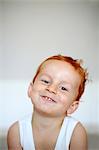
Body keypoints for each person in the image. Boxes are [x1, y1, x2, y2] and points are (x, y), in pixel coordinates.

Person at [7, 54, 88, 150]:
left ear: (72, 106)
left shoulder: (76, 133)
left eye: (63, 88)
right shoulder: (16, 132)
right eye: (45, 81)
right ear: (30, 89)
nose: (51, 89)